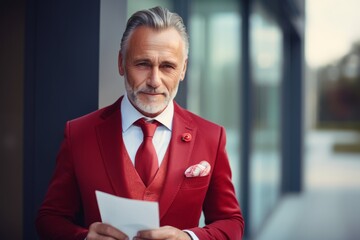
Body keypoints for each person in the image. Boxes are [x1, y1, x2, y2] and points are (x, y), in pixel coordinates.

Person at [36, 6, 244, 240]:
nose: (154, 81)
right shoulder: (78, 133)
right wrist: (83, 238)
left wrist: (189, 238)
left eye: (167, 66)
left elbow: (231, 223)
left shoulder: (211, 137)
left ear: (183, 69)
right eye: (143, 64)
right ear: (121, 63)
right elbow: (50, 218)